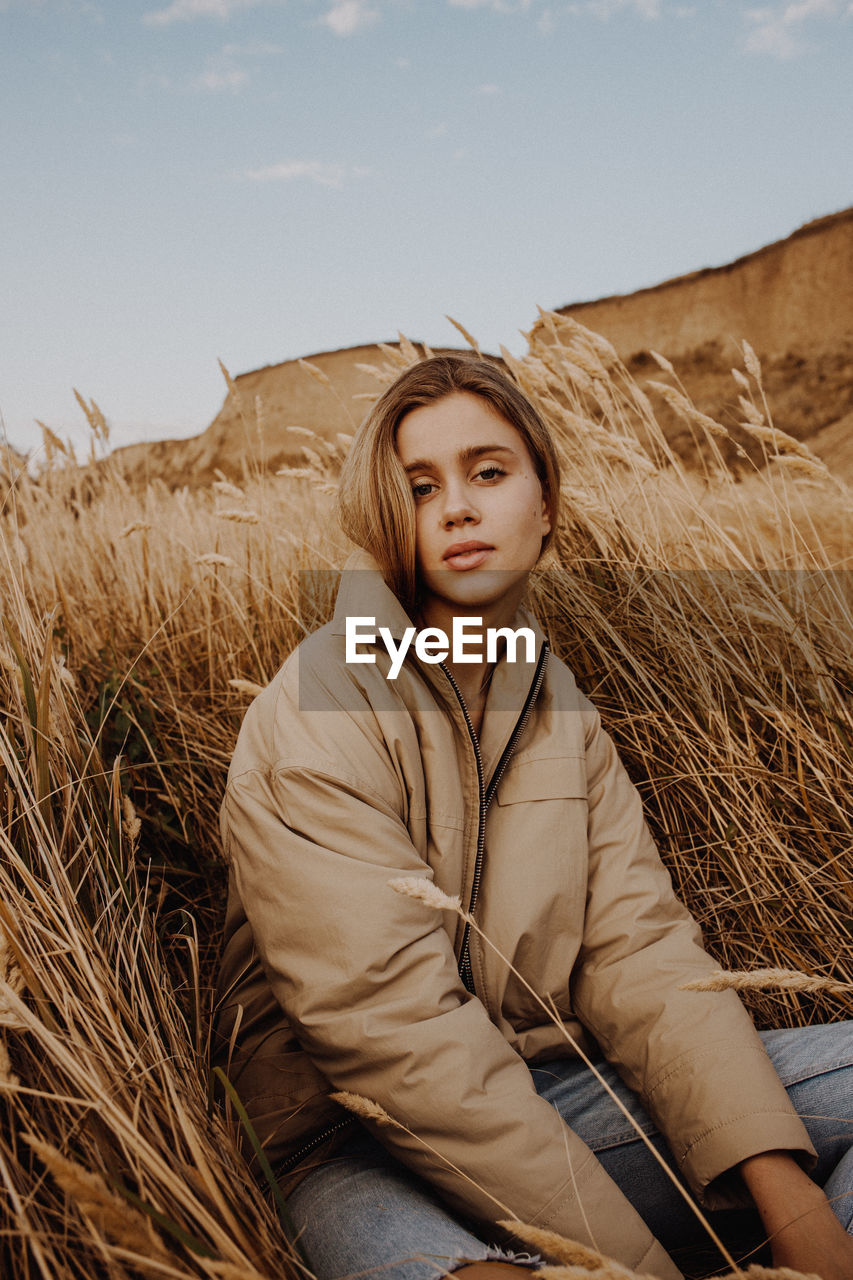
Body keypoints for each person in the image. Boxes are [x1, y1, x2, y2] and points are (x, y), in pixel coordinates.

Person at [213, 355, 853, 1280]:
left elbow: (639, 953)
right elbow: (395, 1041)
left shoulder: (557, 707)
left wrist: (790, 1205)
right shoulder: (318, 706)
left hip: (562, 1099)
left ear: (544, 502)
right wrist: (640, 1270)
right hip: (355, 1144)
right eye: (418, 485)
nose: (457, 509)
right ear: (387, 514)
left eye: (488, 471)